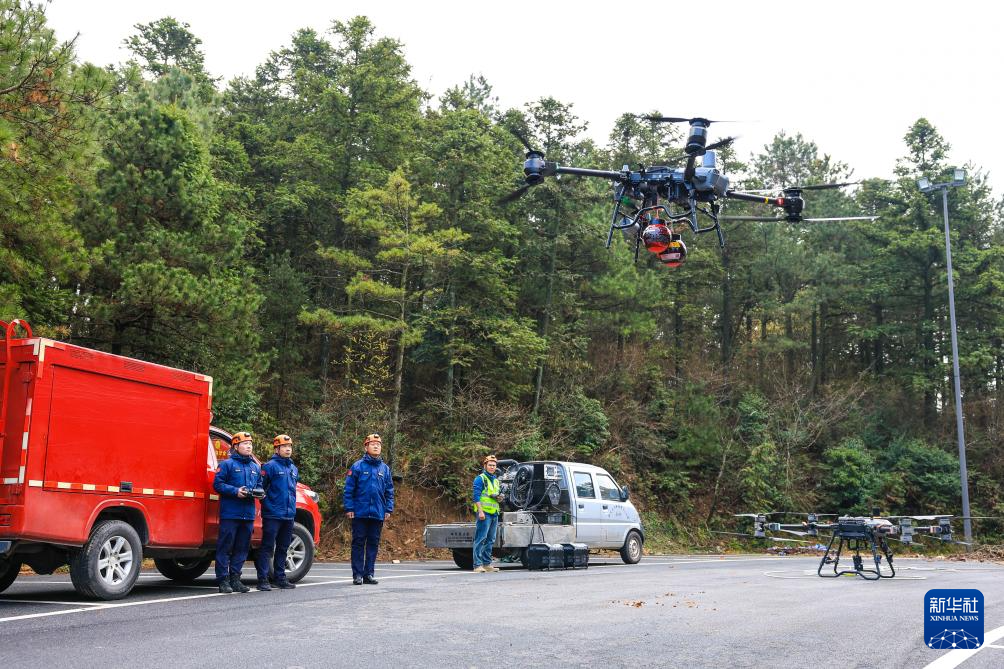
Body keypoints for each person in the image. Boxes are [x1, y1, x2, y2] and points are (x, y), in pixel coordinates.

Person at [213, 431, 261, 594]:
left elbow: (260, 485)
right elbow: (218, 484)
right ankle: (223, 580)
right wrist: (235, 491)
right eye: (245, 444)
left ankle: (236, 579)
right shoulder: (226, 465)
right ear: (235, 446)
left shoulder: (255, 466)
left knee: (242, 548)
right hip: (230, 514)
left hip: (248, 514)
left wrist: (260, 492)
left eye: (250, 444)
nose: (249, 447)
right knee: (225, 547)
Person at [344, 433, 394, 585]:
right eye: (372, 444)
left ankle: (369, 574)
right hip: (360, 512)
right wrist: (349, 507)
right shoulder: (357, 466)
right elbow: (349, 489)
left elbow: (389, 490)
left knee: (373, 543)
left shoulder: (385, 469)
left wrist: (388, 509)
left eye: (378, 444)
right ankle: (357, 575)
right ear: (366, 447)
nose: (376, 446)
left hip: (378, 512)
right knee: (358, 543)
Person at [254, 434, 299, 591]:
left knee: (283, 547)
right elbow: (260, 489)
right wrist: (268, 505)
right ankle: (263, 579)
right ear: (277, 449)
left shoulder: (293, 468)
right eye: (284, 447)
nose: (288, 449)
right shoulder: (269, 467)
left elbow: (292, 491)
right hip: (273, 514)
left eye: (290, 447)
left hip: (288, 515)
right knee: (267, 547)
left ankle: (280, 578)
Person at [471, 454, 501, 573]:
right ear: (485, 465)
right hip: (484, 513)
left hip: (494, 513)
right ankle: (477, 565)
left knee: (490, 540)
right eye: (490, 465)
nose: (492, 467)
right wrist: (480, 511)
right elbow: (476, 497)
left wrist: (499, 498)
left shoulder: (496, 480)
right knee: (481, 538)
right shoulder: (480, 478)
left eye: (494, 465)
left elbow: (494, 495)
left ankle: (487, 564)